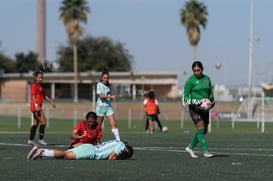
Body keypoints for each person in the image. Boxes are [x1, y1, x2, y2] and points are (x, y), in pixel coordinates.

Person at [183, 61, 215, 158]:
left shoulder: (207, 79)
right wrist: (194, 103)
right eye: (194, 71)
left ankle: (190, 147)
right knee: (201, 128)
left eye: (198, 70)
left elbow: (210, 92)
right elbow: (185, 97)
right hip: (195, 108)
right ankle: (205, 152)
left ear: (202, 69)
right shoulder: (190, 81)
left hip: (205, 108)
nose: (196, 72)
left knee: (204, 130)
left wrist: (211, 101)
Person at [27, 140, 134, 160]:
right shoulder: (122, 146)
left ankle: (41, 153)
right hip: (91, 152)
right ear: (127, 151)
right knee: (65, 155)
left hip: (89, 147)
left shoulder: (116, 142)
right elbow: (111, 158)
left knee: (64, 156)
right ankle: (42, 151)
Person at [28, 71, 56, 146]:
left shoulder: (40, 87)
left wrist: (51, 102)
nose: (41, 79)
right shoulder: (34, 85)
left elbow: (45, 96)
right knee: (44, 122)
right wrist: (36, 105)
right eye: (39, 77)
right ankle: (41, 139)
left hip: (37, 106)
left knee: (35, 123)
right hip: (36, 107)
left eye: (42, 77)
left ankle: (30, 140)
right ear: (35, 78)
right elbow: (33, 95)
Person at [95, 71, 120, 141]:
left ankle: (118, 140)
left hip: (108, 107)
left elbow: (107, 96)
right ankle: (97, 141)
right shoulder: (99, 85)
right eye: (105, 78)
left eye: (107, 78)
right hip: (101, 107)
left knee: (114, 124)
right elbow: (101, 96)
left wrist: (111, 98)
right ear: (101, 78)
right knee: (98, 126)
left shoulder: (107, 86)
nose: (106, 79)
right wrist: (111, 97)